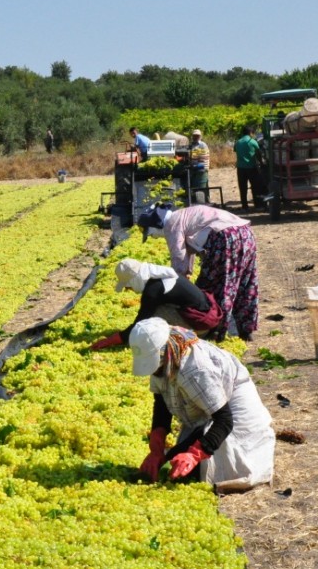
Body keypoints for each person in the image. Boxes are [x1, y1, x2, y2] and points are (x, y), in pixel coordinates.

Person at [128, 318, 274, 492]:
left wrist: (194, 455)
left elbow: (225, 420)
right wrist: (156, 449)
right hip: (208, 405)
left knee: (223, 467)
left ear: (165, 353)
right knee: (173, 467)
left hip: (232, 401)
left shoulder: (195, 370)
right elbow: (161, 406)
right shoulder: (162, 363)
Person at [136, 204, 260, 339]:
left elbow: (179, 256)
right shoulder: (183, 215)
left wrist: (178, 287)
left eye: (152, 234)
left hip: (225, 237)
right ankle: (245, 329)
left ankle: (215, 330)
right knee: (245, 281)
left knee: (213, 285)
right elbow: (189, 251)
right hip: (246, 234)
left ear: (155, 226)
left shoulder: (171, 224)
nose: (155, 238)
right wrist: (186, 274)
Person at [89, 258, 224, 349]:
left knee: (152, 318)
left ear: (134, 280)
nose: (128, 289)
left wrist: (112, 340)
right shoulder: (159, 275)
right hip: (211, 318)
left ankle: (191, 336)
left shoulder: (153, 290)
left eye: (127, 286)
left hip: (202, 326)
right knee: (155, 312)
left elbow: (140, 323)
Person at [234, 124, 263, 210]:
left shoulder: (238, 142)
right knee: (255, 186)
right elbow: (258, 153)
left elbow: (236, 151)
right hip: (251, 167)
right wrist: (261, 162)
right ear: (250, 132)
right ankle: (257, 205)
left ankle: (244, 206)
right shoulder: (252, 141)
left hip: (240, 168)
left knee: (243, 187)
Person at [187, 129, 210, 203]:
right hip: (193, 169)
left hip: (201, 168)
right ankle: (194, 200)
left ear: (200, 136)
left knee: (202, 186)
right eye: (194, 135)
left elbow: (204, 156)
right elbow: (189, 156)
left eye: (197, 136)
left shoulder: (203, 145)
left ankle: (206, 200)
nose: (196, 137)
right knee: (194, 186)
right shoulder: (190, 145)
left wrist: (196, 163)